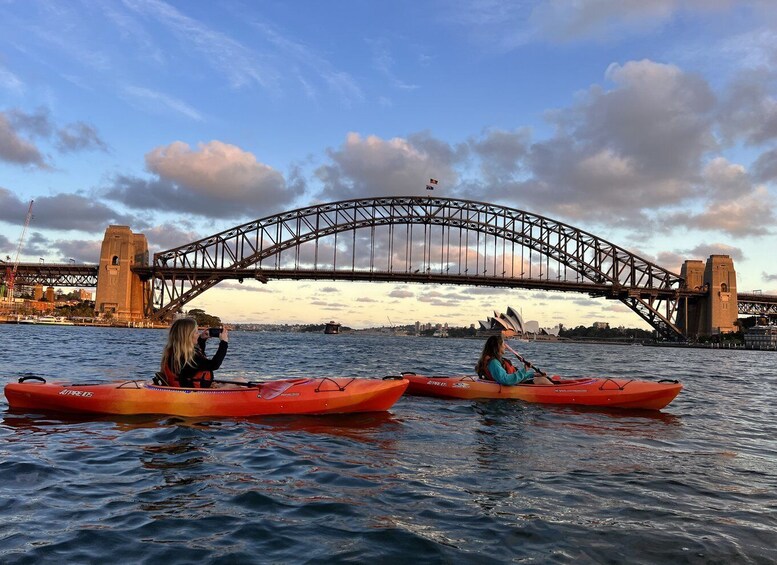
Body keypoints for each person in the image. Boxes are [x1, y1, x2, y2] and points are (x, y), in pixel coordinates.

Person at [159, 317, 229, 388]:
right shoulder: (189, 358)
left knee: (226, 383)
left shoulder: (175, 353)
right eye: (196, 332)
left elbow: (198, 362)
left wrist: (202, 339)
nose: (198, 334)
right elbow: (214, 364)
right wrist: (224, 342)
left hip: (184, 389)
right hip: (194, 394)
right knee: (240, 380)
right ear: (188, 336)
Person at [475, 334, 552, 385]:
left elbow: (512, 375)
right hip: (511, 384)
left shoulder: (496, 361)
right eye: (503, 344)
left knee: (541, 378)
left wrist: (533, 374)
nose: (505, 347)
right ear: (497, 347)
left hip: (514, 382)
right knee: (542, 381)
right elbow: (506, 380)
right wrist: (524, 370)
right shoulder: (493, 363)